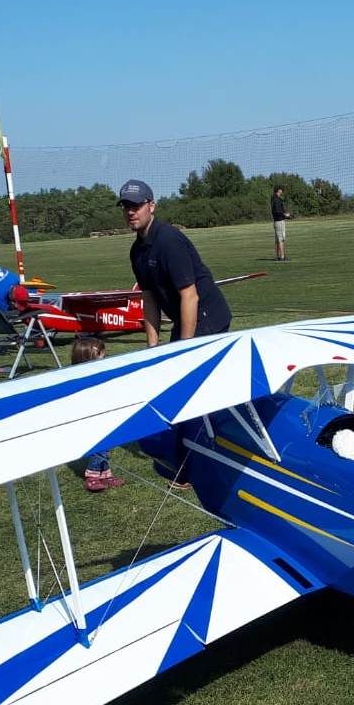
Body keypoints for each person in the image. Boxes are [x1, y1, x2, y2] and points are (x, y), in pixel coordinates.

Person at [120, 178, 232, 490]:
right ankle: (184, 461)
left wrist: (185, 347)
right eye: (126, 206)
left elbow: (190, 296)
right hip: (187, 318)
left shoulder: (169, 241)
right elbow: (149, 298)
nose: (131, 212)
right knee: (177, 389)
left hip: (207, 316)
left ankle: (189, 465)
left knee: (189, 391)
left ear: (151, 206)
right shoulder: (137, 251)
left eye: (136, 205)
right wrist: (153, 346)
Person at [71, 337, 125, 492]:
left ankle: (106, 474)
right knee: (100, 447)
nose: (105, 357)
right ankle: (92, 475)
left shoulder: (100, 373)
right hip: (92, 418)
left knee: (107, 445)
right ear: (87, 358)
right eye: (101, 355)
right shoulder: (81, 378)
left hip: (104, 414)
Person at [270, 186, 291, 261]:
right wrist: (286, 215)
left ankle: (278, 256)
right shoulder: (277, 200)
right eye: (280, 190)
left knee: (278, 240)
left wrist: (286, 216)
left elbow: (276, 211)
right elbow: (278, 212)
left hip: (276, 221)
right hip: (279, 222)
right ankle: (282, 257)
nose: (281, 192)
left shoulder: (273, 199)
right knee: (281, 239)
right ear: (277, 191)